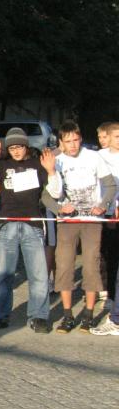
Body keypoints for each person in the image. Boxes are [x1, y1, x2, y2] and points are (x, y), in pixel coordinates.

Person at [0, 128, 62, 333]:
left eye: (19, 147)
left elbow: (56, 192)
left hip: (33, 225)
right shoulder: (2, 165)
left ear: (26, 147)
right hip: (7, 225)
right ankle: (0, 316)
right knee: (3, 275)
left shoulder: (37, 164)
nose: (15, 151)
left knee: (38, 275)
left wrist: (51, 171)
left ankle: (39, 316)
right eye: (12, 147)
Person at [51, 120, 116, 333]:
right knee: (64, 266)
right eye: (68, 141)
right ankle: (68, 315)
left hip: (91, 221)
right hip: (67, 222)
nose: (73, 145)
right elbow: (46, 195)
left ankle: (88, 314)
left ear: (81, 139)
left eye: (76, 140)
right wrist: (59, 208)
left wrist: (103, 204)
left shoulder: (93, 157)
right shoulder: (56, 160)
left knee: (90, 265)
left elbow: (110, 185)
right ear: (61, 142)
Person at [98, 122, 119, 307]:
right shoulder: (99, 156)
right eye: (117, 137)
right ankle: (107, 291)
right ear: (109, 137)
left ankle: (114, 296)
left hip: (117, 211)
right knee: (105, 253)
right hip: (104, 211)